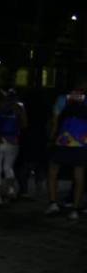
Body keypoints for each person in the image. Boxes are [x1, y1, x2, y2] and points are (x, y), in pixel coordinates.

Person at [45, 78, 87, 220]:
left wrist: (51, 138)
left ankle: (53, 203)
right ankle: (75, 209)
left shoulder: (63, 98)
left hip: (63, 140)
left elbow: (55, 121)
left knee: (52, 171)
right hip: (82, 141)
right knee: (79, 175)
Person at [0, 82, 26, 204]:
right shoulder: (19, 107)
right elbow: (24, 124)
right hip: (13, 140)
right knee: (8, 167)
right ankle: (10, 189)